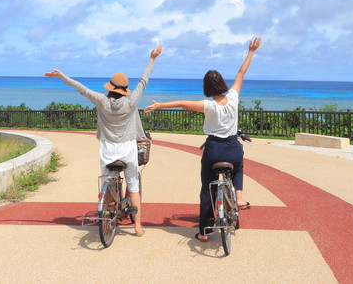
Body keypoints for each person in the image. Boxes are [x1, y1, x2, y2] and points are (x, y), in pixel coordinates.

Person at [145, 37, 262, 242]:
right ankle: (239, 197)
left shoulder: (208, 105)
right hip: (232, 146)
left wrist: (160, 105)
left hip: (214, 147)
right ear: (223, 84)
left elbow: (182, 103)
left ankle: (204, 232)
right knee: (239, 166)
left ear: (207, 87)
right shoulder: (233, 97)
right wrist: (251, 51)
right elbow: (241, 72)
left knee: (207, 188)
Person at [45, 44, 162, 237]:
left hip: (108, 149)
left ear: (110, 87)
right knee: (133, 185)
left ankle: (106, 211)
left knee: (106, 181)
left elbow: (81, 89)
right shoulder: (131, 101)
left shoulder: (101, 100)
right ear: (125, 89)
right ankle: (138, 226)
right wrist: (152, 59)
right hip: (127, 149)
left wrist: (62, 76)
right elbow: (144, 81)